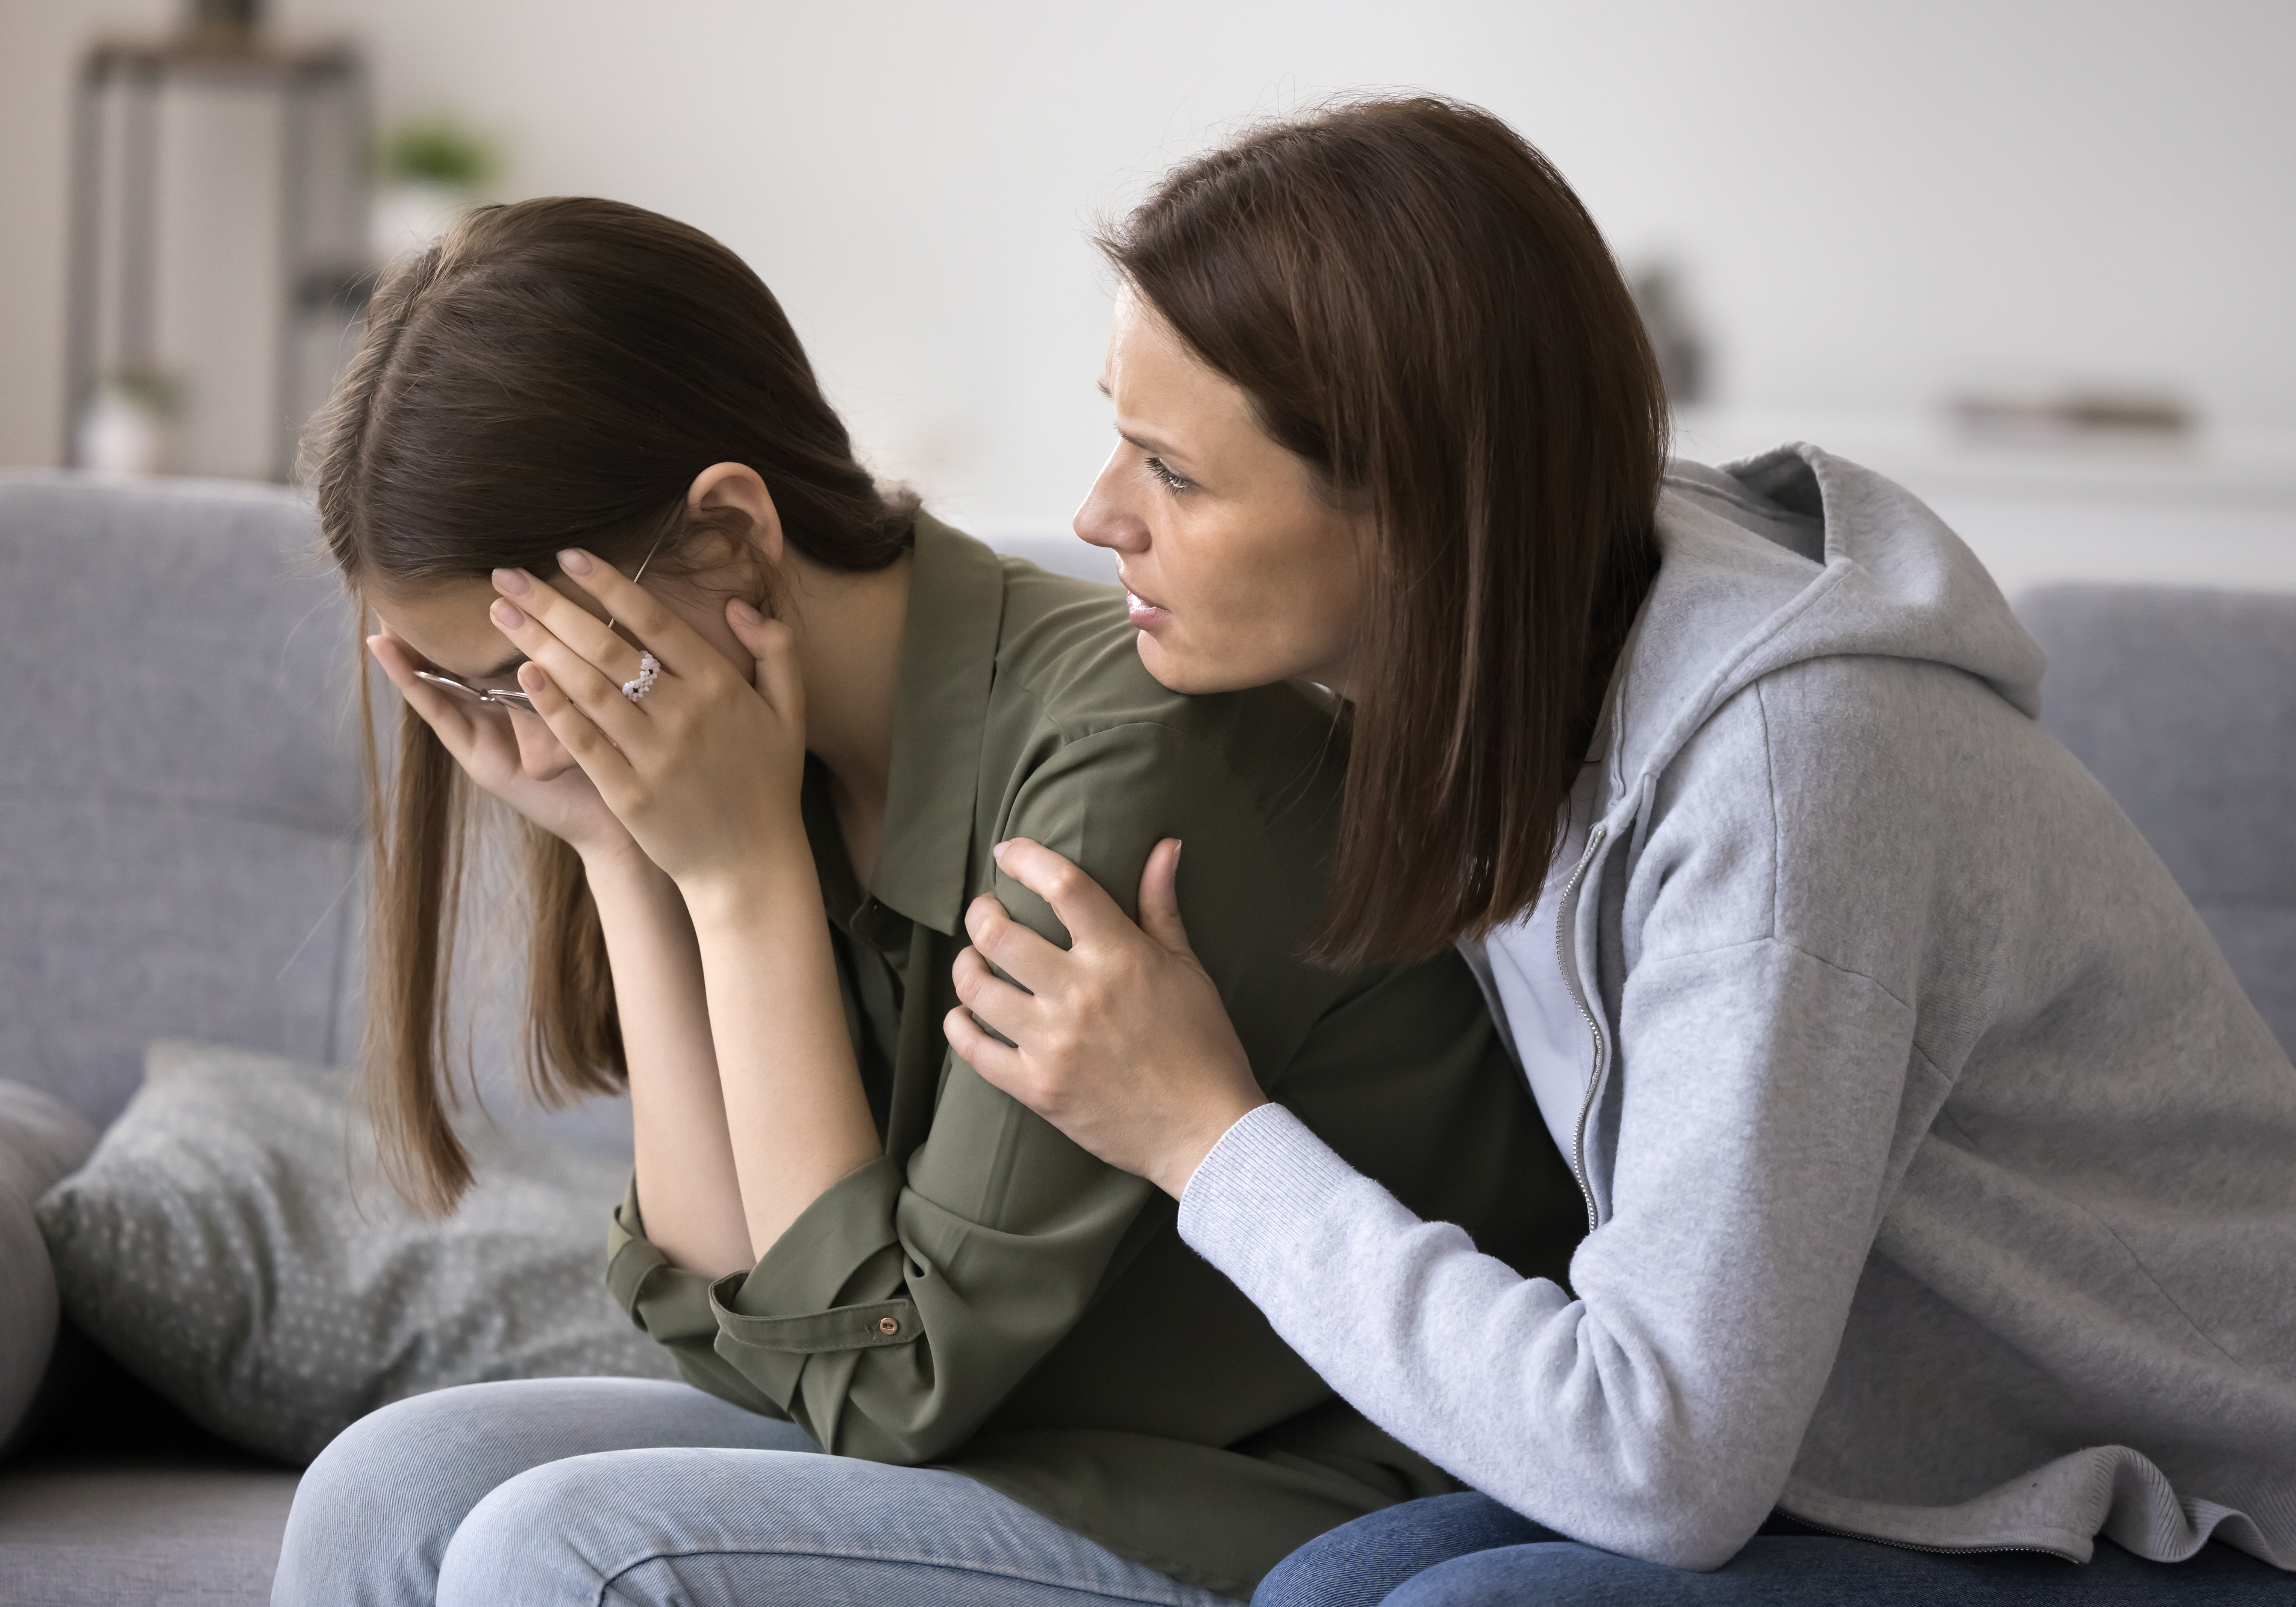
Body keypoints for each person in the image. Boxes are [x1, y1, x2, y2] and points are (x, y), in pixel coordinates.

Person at [945, 97, 2296, 1604]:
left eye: (1172, 474)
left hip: (2203, 1505)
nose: (1095, 512)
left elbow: (1656, 1459)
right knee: (1334, 1580)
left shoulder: (1786, 774)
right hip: (1874, 1466)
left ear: (1417, 503)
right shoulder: (1511, 643)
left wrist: (1200, 1132)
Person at [269, 195, 1586, 1607]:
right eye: (471, 697)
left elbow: (879, 1379)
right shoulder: (760, 762)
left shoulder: (1122, 760)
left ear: (726, 532)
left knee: (563, 1550)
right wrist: (614, 846)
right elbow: (735, 1322)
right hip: (1023, 1443)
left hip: (1288, 1496)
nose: (524, 739)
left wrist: (739, 877)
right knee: (388, 1482)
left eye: (526, 676)